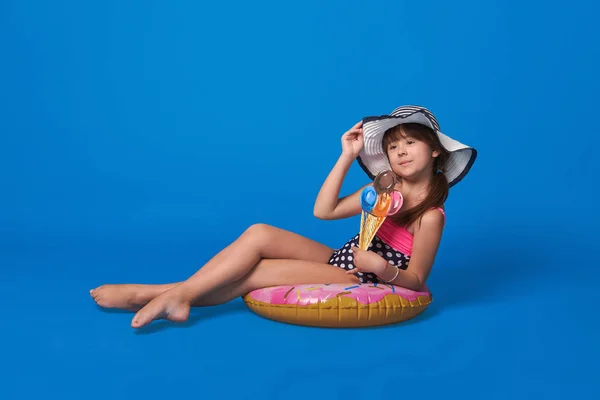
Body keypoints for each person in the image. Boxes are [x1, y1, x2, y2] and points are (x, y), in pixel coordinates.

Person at [90, 105, 477, 328]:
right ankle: (172, 296)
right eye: (393, 146)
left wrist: (380, 266)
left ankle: (159, 294)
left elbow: (417, 280)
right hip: (342, 257)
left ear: (436, 151)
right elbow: (323, 211)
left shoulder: (431, 216)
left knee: (256, 273)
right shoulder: (382, 191)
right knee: (259, 233)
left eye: (411, 143)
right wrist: (345, 156)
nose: (401, 152)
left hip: (362, 273)